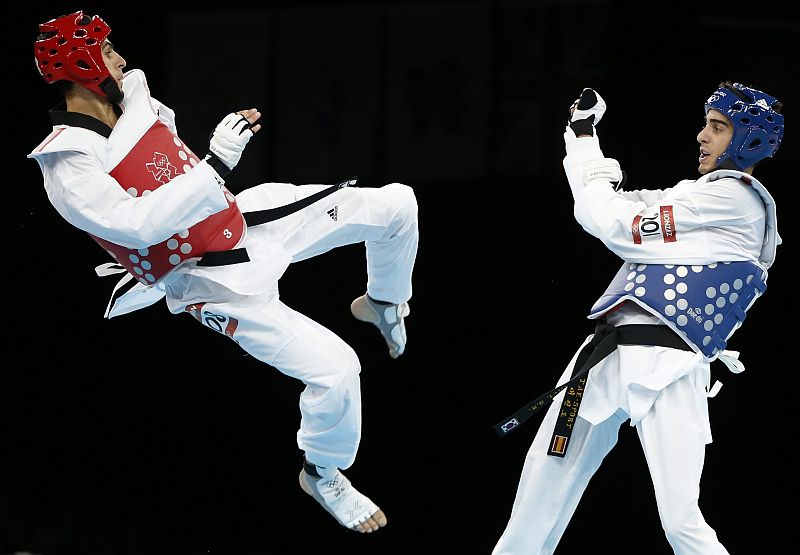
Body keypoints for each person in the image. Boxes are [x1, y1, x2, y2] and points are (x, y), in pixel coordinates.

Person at [28, 10, 419, 534]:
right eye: (107, 51)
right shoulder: (68, 162)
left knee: (397, 206)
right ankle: (322, 472)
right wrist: (216, 163)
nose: (120, 59)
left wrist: (212, 168)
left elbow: (169, 160)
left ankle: (385, 303)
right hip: (208, 280)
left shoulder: (135, 94)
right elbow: (136, 224)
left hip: (245, 220)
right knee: (337, 370)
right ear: (81, 66)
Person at [491, 81, 783, 553]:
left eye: (717, 127)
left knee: (681, 521)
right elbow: (613, 205)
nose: (701, 137)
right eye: (706, 125)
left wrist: (585, 144)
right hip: (605, 357)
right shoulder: (692, 197)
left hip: (669, 364)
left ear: (748, 139)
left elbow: (611, 221)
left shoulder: (732, 203)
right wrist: (583, 138)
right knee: (537, 499)